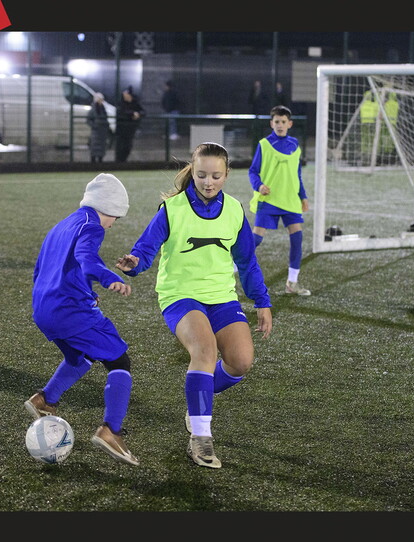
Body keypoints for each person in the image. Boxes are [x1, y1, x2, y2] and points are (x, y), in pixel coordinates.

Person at [116, 142, 272, 469]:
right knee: (204, 350)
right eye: (201, 175)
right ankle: (200, 437)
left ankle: (196, 401)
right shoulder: (172, 209)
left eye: (216, 175)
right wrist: (134, 262)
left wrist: (262, 301)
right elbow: (146, 248)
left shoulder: (233, 210)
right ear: (193, 171)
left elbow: (247, 262)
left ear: (227, 175)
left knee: (241, 362)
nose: (208, 182)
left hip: (221, 296)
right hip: (180, 294)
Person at [24, 173, 140, 466]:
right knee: (119, 361)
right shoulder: (92, 226)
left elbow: (46, 269)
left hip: (44, 309)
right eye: (116, 217)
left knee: (82, 357)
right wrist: (108, 277)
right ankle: (111, 430)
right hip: (69, 311)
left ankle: (44, 400)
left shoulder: (62, 224)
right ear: (109, 208)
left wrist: (85, 290)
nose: (113, 223)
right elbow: (87, 258)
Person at [248, 105, 311, 296]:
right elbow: (253, 171)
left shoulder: (295, 145)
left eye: (284, 122)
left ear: (289, 124)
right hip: (269, 200)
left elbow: (297, 175)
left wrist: (303, 196)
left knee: (297, 238)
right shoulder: (264, 144)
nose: (280, 125)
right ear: (271, 123)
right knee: (256, 239)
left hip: (291, 200)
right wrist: (259, 186)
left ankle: (292, 283)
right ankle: (229, 268)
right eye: (277, 122)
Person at [114, 86, 145, 162]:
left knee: (128, 147)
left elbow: (143, 112)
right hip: (121, 130)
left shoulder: (135, 102)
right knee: (120, 147)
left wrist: (138, 114)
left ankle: (124, 161)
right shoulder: (121, 103)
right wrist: (132, 114)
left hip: (130, 130)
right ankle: (118, 162)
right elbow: (121, 112)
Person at [86, 92, 111, 163]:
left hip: (102, 131)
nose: (101, 101)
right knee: (94, 146)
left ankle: (100, 161)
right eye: (100, 99)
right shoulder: (93, 109)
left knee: (102, 147)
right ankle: (93, 161)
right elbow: (88, 120)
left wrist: (106, 126)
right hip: (96, 132)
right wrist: (95, 126)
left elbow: (105, 119)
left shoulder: (103, 108)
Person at [248, 80, 270, 150]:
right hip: (254, 111)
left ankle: (260, 136)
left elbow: (265, 101)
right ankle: (254, 136)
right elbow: (250, 100)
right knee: (254, 125)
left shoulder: (263, 92)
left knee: (260, 125)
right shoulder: (253, 91)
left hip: (261, 112)